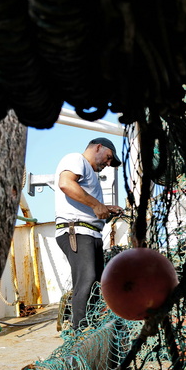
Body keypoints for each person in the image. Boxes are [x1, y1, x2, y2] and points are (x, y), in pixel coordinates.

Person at [55, 137, 123, 330]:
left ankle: (91, 327)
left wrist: (106, 208)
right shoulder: (76, 159)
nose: (108, 164)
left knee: (95, 283)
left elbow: (84, 203)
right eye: (108, 157)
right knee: (86, 279)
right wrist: (96, 204)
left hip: (91, 233)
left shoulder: (89, 173)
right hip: (76, 231)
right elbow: (66, 184)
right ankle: (80, 332)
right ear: (98, 147)